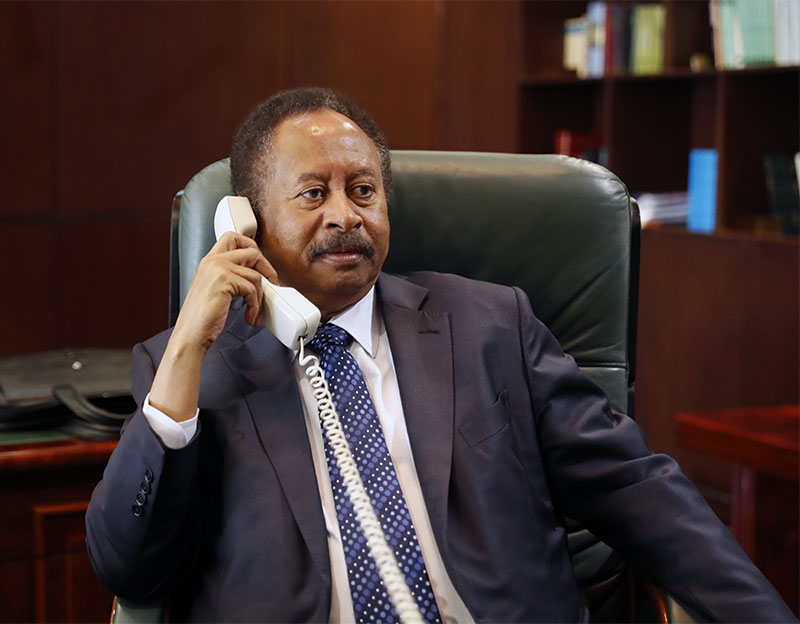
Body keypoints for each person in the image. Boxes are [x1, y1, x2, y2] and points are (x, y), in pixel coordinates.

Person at [86, 87, 794, 623]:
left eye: (363, 190)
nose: (345, 215)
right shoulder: (190, 367)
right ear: (248, 220)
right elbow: (130, 568)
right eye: (313, 194)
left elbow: (637, 489)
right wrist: (189, 348)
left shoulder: (490, 323)